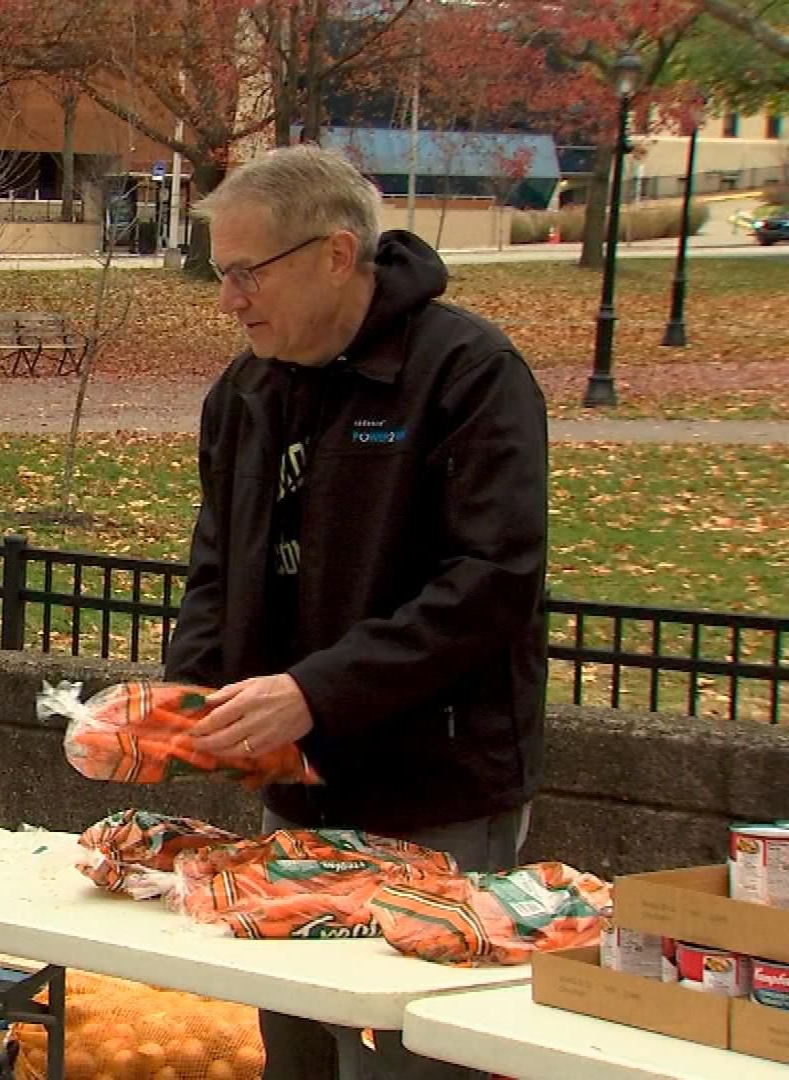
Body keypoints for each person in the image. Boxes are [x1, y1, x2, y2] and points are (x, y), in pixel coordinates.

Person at [161, 145, 548, 1080]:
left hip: (435, 788)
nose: (230, 300)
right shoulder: (246, 389)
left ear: (338, 255)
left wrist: (316, 693)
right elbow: (219, 560)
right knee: (297, 1044)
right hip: (295, 790)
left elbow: (490, 580)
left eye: (247, 274)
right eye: (222, 275)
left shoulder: (468, 371)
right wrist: (191, 694)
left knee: (406, 1056)